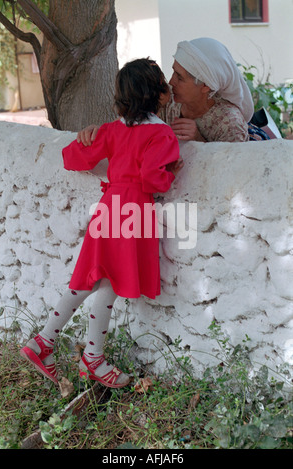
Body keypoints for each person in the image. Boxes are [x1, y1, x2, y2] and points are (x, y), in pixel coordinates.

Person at [20, 59, 183, 389]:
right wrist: (171, 174)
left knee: (97, 277)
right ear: (161, 95)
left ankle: (55, 345)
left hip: (110, 207)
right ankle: (77, 352)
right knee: (102, 279)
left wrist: (83, 138)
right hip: (133, 210)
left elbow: (72, 158)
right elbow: (153, 179)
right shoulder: (161, 133)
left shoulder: (112, 130)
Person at [77, 38, 269, 145]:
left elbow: (231, 176)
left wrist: (199, 140)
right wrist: (98, 133)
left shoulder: (229, 124)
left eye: (180, 77)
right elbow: (132, 116)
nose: (170, 81)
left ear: (206, 87)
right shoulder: (168, 96)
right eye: (173, 72)